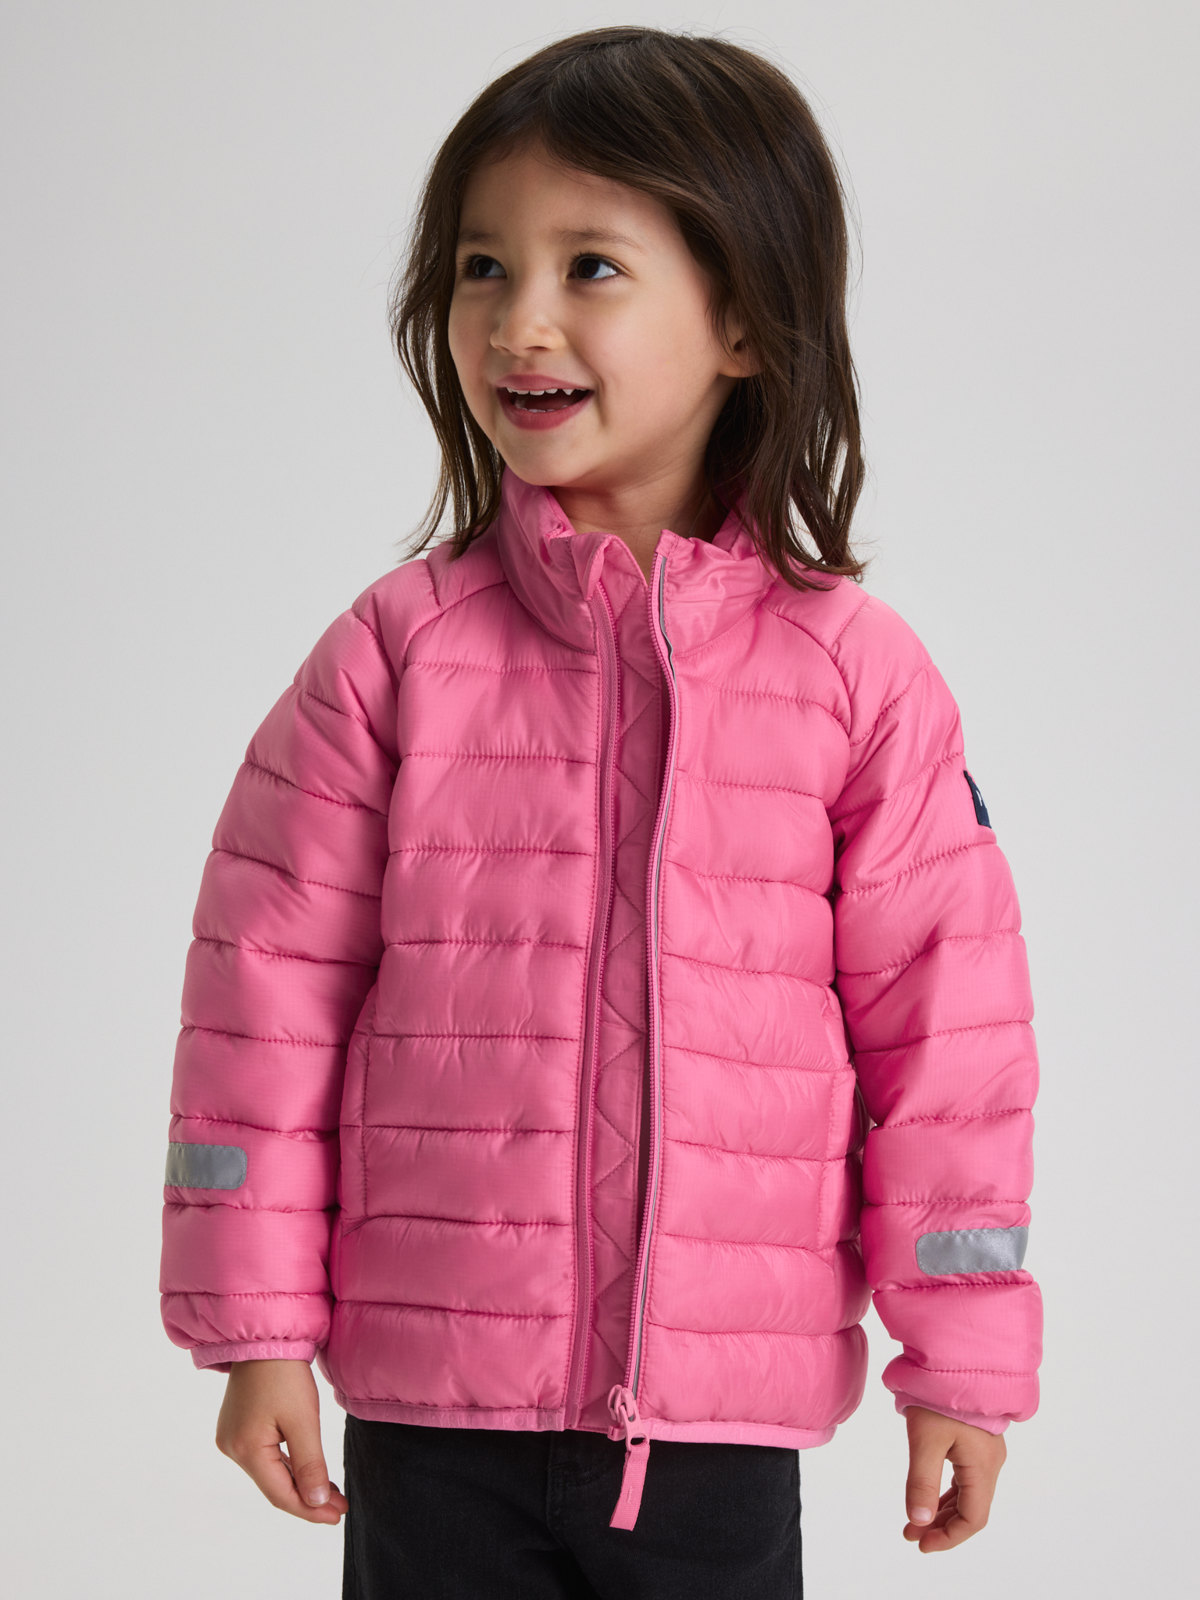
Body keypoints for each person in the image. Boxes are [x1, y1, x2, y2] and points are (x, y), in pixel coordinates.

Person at [159, 25, 1043, 1599]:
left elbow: (949, 1044)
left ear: (746, 322)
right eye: (483, 266)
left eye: (591, 267)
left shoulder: (857, 678)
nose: (520, 320)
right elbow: (264, 1002)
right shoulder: (396, 655)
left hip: (714, 1431)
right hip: (433, 1412)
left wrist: (960, 1359)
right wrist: (257, 1327)